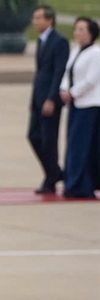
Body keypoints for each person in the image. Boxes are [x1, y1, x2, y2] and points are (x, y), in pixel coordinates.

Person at [29, 5, 69, 194]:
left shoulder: (59, 41)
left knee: (48, 140)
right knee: (33, 135)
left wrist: (52, 98)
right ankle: (54, 172)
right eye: (34, 18)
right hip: (38, 97)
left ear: (50, 20)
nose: (34, 22)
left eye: (38, 18)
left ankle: (50, 179)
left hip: (49, 99)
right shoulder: (41, 40)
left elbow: (58, 72)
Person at [59, 17, 100, 199]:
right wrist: (64, 89)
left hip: (89, 104)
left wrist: (73, 92)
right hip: (76, 104)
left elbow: (91, 80)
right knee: (73, 144)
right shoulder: (76, 51)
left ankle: (83, 184)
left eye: (82, 29)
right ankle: (72, 182)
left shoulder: (95, 53)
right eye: (76, 29)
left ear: (91, 33)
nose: (77, 32)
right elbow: (67, 73)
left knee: (84, 145)